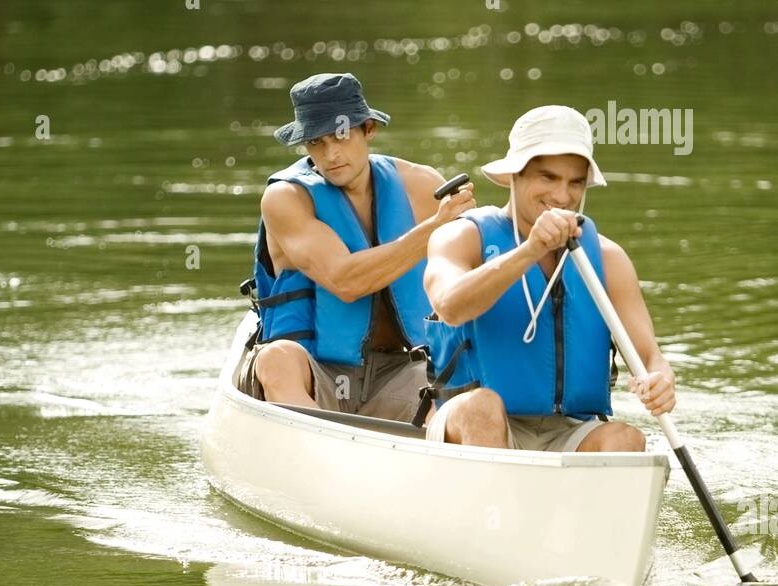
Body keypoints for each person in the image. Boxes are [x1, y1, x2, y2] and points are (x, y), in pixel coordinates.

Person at [423, 105, 675, 451]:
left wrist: (660, 377)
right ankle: (493, 502)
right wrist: (530, 250)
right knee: (482, 408)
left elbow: (650, 357)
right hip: (472, 423)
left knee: (625, 439)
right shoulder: (460, 237)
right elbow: (450, 307)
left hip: (569, 430)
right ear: (515, 175)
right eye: (548, 178)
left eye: (575, 182)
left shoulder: (608, 258)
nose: (562, 196)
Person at [238, 72, 475, 421]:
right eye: (317, 142)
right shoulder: (285, 198)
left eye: (341, 135)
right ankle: (314, 456)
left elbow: (477, 272)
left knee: (464, 391)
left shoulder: (423, 187)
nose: (331, 154)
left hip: (400, 370)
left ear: (368, 129)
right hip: (314, 371)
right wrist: (433, 228)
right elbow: (346, 282)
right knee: (276, 359)